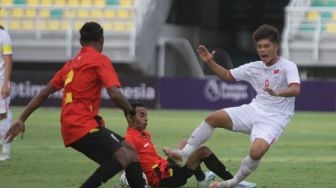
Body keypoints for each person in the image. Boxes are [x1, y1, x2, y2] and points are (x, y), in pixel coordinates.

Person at [5, 22, 147, 188]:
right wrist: (130, 111)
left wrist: (22, 118)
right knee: (124, 156)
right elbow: (114, 92)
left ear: (81, 42)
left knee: (130, 153)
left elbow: (44, 92)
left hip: (73, 126)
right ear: (102, 40)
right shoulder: (99, 60)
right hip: (83, 126)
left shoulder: (71, 64)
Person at [163, 24, 301, 188]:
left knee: (256, 152)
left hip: (275, 118)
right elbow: (227, 75)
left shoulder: (288, 66)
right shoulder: (254, 67)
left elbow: (295, 89)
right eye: (259, 46)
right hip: (254, 109)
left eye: (266, 46)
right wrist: (209, 62)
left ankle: (232, 183)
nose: (263, 50)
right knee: (213, 118)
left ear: (276, 46)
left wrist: (278, 92)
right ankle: (184, 153)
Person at [123, 102, 256, 187]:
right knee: (203, 151)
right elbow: (126, 163)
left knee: (186, 143)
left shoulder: (145, 134)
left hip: (165, 168)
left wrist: (170, 155)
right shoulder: (130, 139)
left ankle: (201, 178)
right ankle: (234, 183)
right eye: (142, 115)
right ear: (130, 118)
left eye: (146, 115)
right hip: (165, 180)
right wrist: (128, 180)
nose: (146, 118)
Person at [0, 25, 13, 162]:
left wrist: (5, 83)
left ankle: (6, 151)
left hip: (0, 80)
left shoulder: (3, 35)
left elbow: (8, 60)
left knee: (2, 115)